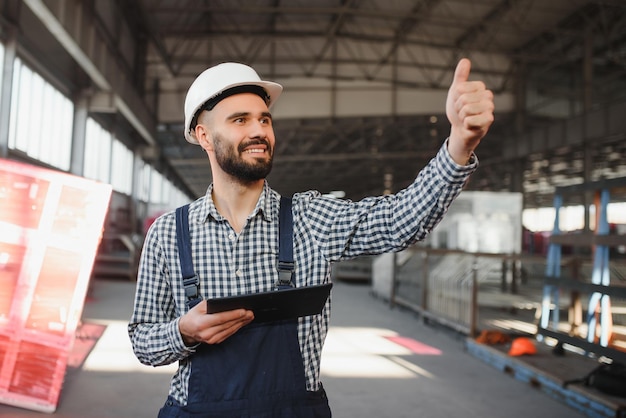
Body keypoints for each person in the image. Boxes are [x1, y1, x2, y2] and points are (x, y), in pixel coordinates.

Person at [128, 58, 494, 417]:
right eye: (240, 119)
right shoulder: (168, 234)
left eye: (264, 119)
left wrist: (459, 145)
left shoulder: (309, 219)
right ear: (204, 135)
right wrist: (183, 332)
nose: (259, 131)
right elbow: (143, 342)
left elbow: (400, 220)